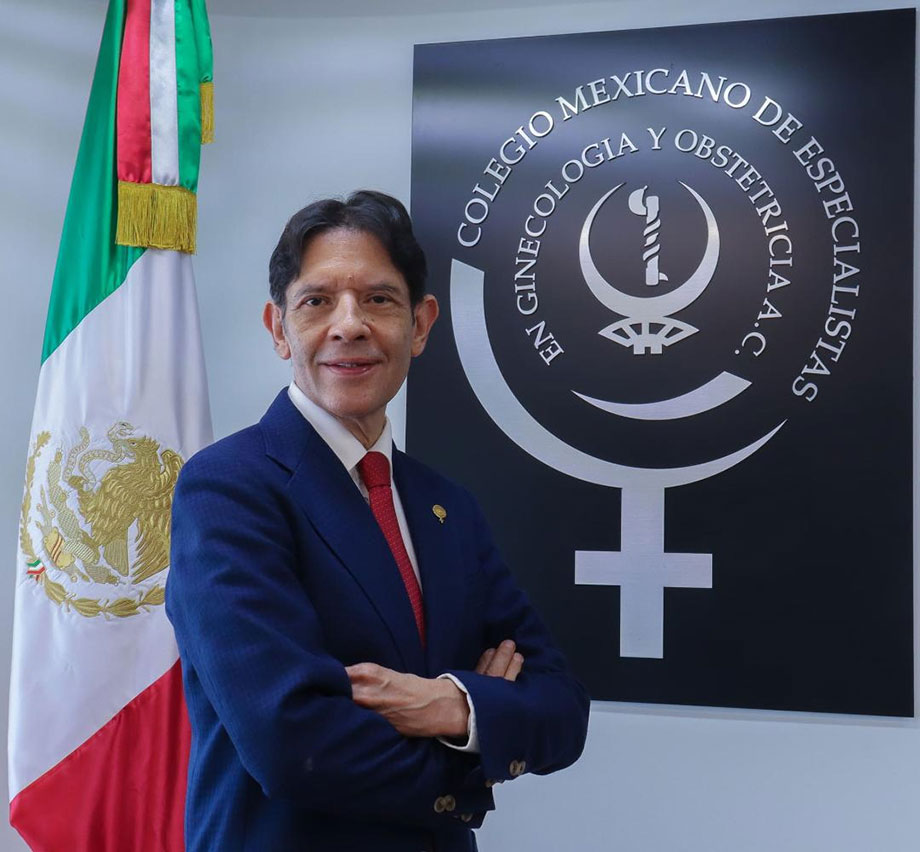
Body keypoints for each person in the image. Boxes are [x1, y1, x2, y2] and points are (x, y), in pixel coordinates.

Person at [165, 190, 590, 852]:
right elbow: (291, 744)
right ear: (278, 329)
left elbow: (561, 708)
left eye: (379, 299)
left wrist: (454, 706)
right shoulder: (228, 489)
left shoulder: (448, 507)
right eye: (317, 301)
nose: (349, 325)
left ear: (420, 325)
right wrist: (476, 750)